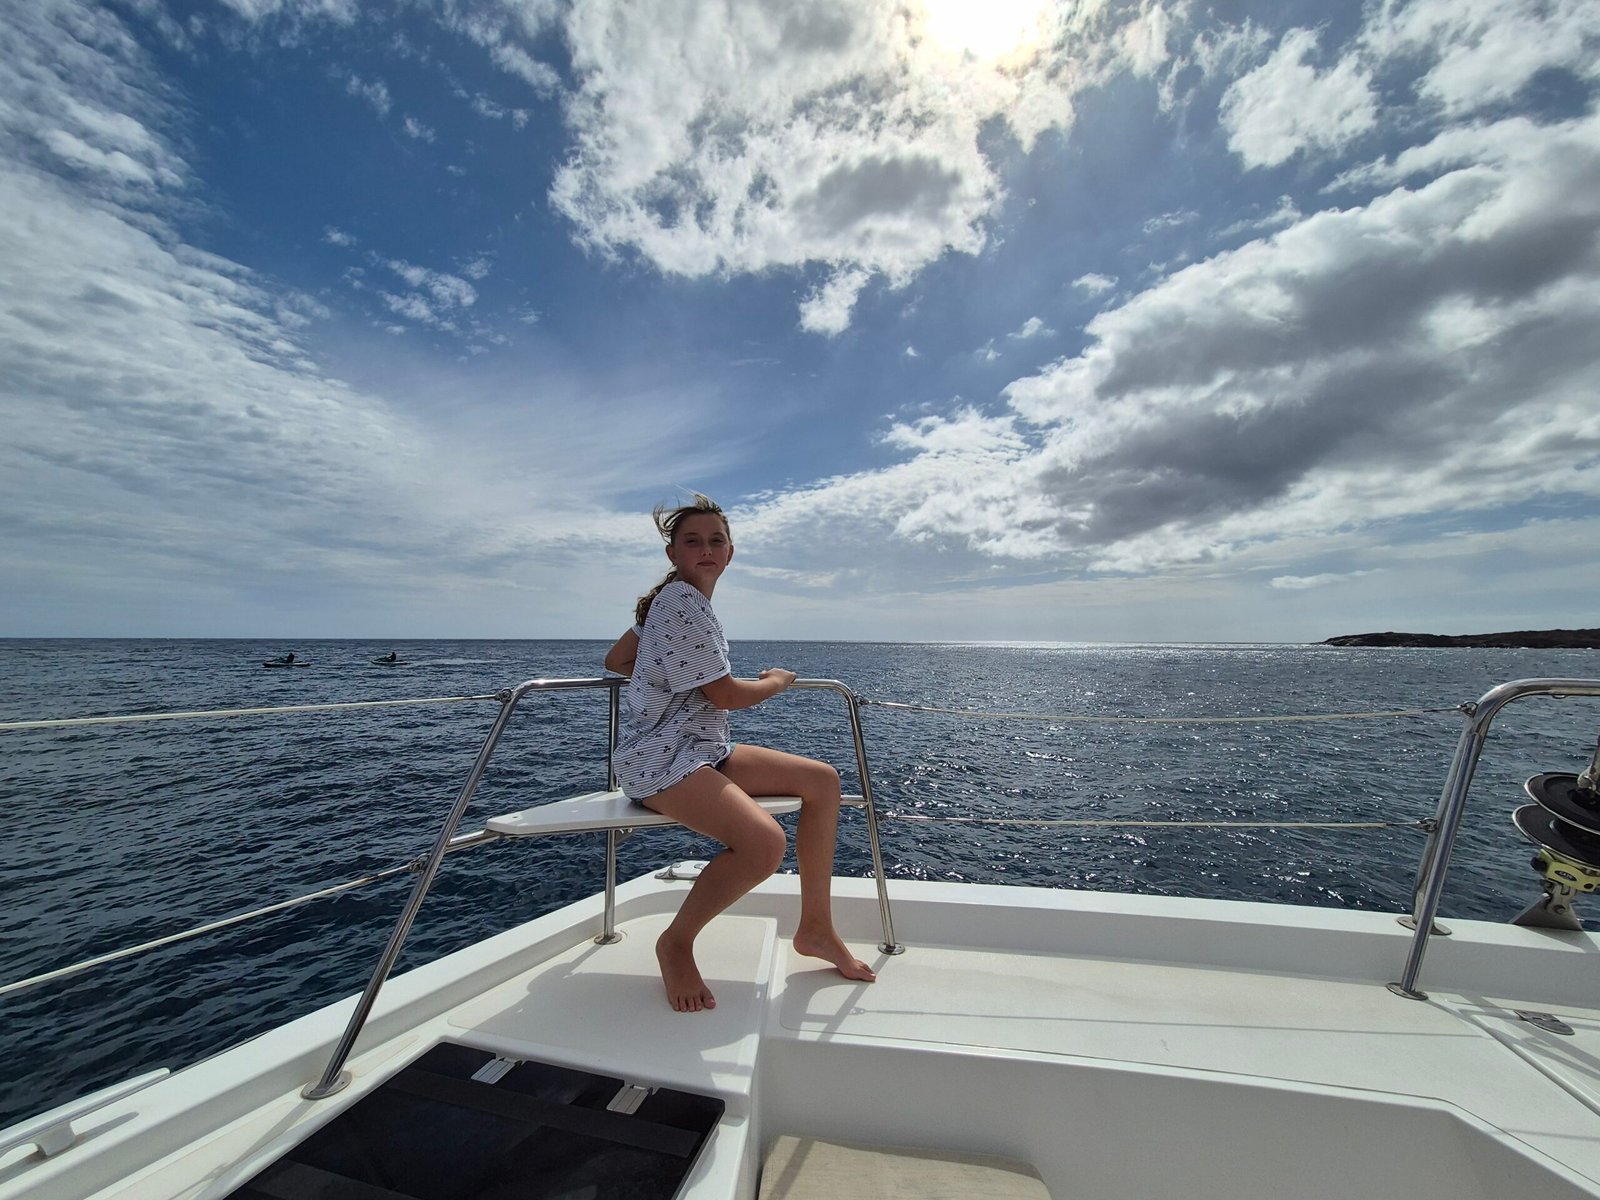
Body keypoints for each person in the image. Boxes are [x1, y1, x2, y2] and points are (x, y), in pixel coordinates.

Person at [605, 494, 876, 1012]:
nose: (706, 548)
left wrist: (658, 680)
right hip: (660, 758)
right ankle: (676, 943)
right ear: (673, 554)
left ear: (729, 554)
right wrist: (774, 681)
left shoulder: (675, 603)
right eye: (693, 541)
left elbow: (619, 658)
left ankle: (816, 928)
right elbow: (726, 695)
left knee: (823, 781)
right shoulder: (683, 603)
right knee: (763, 844)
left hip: (702, 747)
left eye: (715, 540)